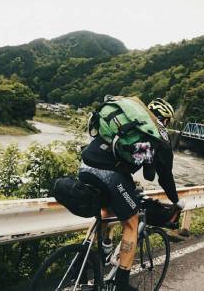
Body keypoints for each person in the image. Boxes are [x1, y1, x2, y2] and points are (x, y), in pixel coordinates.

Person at [78, 97, 183, 291]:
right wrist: (176, 201)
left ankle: (86, 257)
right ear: (166, 120)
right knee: (132, 223)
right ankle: (121, 283)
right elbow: (158, 176)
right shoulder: (156, 136)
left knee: (106, 211)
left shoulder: (128, 119)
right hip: (111, 175)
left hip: (85, 165)